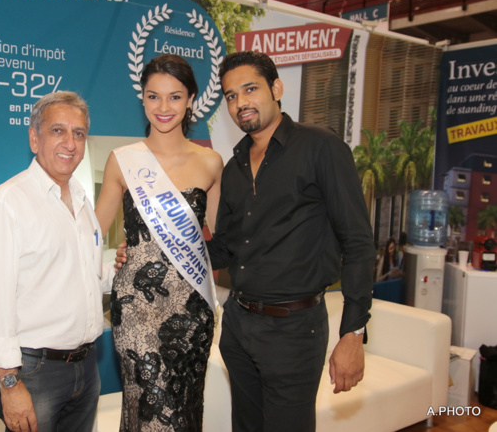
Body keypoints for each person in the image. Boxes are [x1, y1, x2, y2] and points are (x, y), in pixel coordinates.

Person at [208, 51, 375, 432]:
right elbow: (226, 247)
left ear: (277, 89)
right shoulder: (233, 167)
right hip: (237, 327)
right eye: (231, 95)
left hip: (294, 330)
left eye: (250, 89)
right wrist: (159, 251)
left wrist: (353, 333)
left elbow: (358, 242)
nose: (240, 102)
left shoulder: (320, 147)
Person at [0, 91, 113, 432]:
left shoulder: (82, 202)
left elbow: (86, 277)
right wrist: (9, 384)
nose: (70, 143)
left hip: (86, 366)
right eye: (57, 131)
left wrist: (125, 267)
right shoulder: (7, 204)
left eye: (79, 133)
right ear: (34, 138)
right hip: (33, 372)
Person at [95, 53, 223, 431]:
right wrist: (111, 260)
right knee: (152, 404)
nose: (163, 107)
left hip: (192, 306)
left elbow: (224, 239)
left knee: (184, 409)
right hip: (136, 306)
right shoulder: (123, 160)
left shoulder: (211, 162)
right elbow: (91, 233)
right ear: (143, 98)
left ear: (191, 99)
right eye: (153, 96)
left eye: (175, 97)